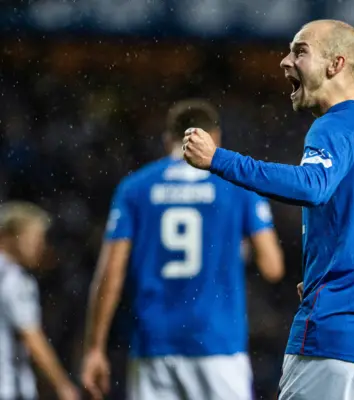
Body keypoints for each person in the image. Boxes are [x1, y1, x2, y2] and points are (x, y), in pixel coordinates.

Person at [183, 19, 354, 400]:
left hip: (337, 337)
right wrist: (329, 271)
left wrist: (218, 159)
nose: (284, 61)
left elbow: (312, 186)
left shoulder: (336, 125)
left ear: (335, 64)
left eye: (300, 51)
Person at [81, 99, 285, 400]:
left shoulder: (136, 187)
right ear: (215, 138)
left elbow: (111, 272)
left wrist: (95, 348)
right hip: (218, 342)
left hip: (155, 343)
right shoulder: (237, 185)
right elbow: (272, 267)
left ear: (168, 140)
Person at [0, 201, 79, 400]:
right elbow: (32, 337)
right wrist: (63, 385)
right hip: (9, 388)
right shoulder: (14, 278)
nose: (41, 246)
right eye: (34, 238)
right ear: (10, 236)